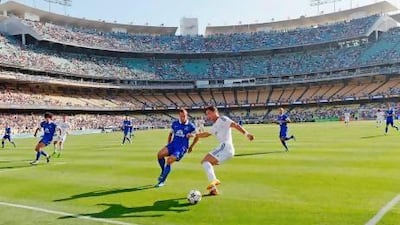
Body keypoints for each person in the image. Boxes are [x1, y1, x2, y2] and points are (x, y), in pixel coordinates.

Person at [188, 106, 254, 195]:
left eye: (209, 114)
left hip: (225, 146)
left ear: (215, 112)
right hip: (226, 149)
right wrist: (195, 135)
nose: (208, 116)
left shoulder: (222, 119)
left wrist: (247, 134)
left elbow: (235, 125)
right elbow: (207, 134)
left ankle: (214, 181)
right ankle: (213, 190)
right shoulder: (215, 125)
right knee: (207, 164)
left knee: (205, 161)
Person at [156, 108, 196, 187]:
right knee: (159, 154)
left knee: (169, 160)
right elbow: (170, 134)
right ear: (179, 116)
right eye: (181, 116)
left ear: (186, 116)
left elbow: (196, 135)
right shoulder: (175, 123)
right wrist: (168, 144)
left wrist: (191, 144)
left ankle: (162, 181)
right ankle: (163, 171)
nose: (182, 118)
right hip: (173, 144)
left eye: (184, 116)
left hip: (181, 148)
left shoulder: (191, 126)